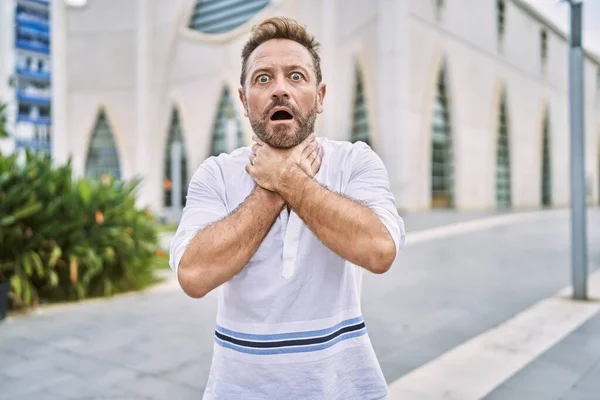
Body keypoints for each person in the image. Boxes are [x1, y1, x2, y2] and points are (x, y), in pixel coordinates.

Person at [169, 16, 405, 400]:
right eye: (263, 78)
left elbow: (379, 251)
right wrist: (273, 189)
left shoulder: (355, 162)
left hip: (343, 389)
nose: (280, 89)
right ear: (244, 101)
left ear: (321, 95)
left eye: (296, 76)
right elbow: (194, 274)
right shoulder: (215, 174)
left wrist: (289, 180)